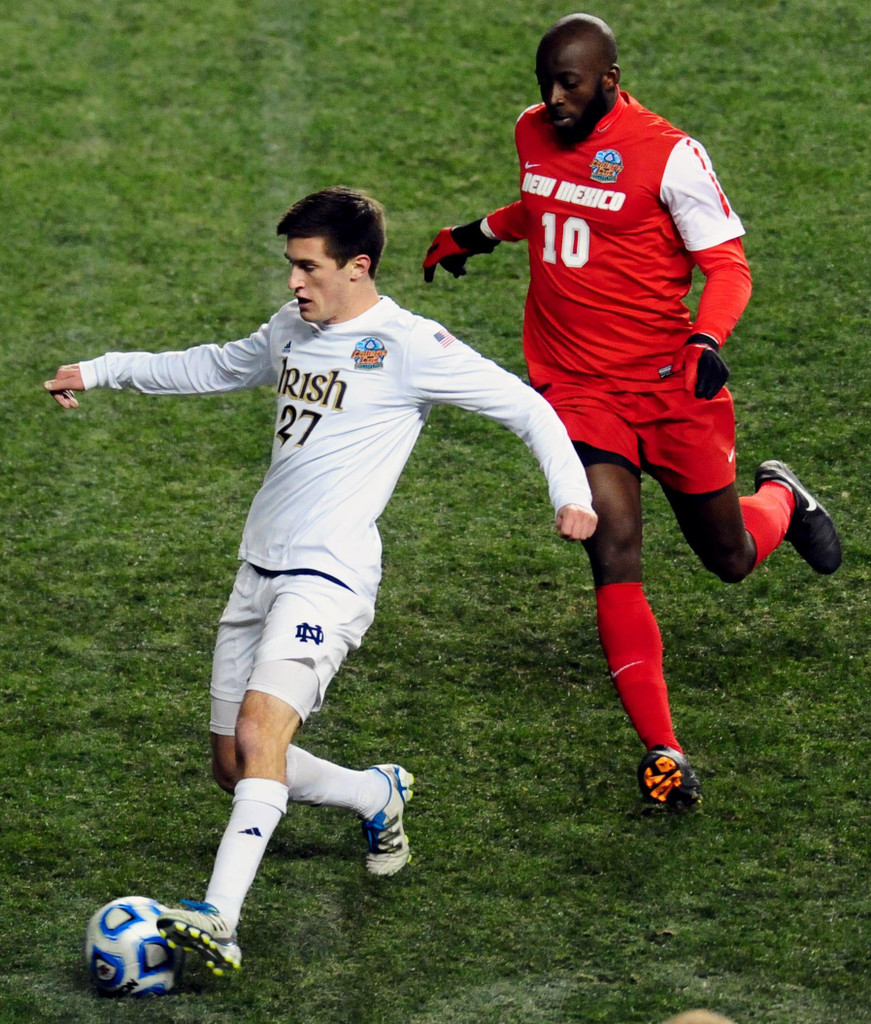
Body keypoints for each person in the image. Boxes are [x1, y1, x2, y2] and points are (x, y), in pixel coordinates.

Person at [45, 186, 597, 975]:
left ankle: (219, 918)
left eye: (308, 268)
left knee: (263, 736)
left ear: (357, 267)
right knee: (234, 765)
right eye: (291, 266)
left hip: (329, 577)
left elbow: (529, 411)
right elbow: (213, 365)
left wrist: (570, 497)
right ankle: (376, 796)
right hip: (257, 569)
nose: (294, 283)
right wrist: (102, 371)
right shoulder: (290, 331)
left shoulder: (410, 345)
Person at [423, 13, 841, 811]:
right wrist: (470, 235)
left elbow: (726, 265)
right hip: (576, 384)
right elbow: (543, 206)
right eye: (543, 83)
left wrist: (706, 338)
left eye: (569, 84)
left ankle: (780, 497)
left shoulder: (669, 155)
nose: (551, 99)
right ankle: (663, 749)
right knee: (610, 543)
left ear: (609, 80)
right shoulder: (533, 132)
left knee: (728, 558)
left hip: (669, 385)